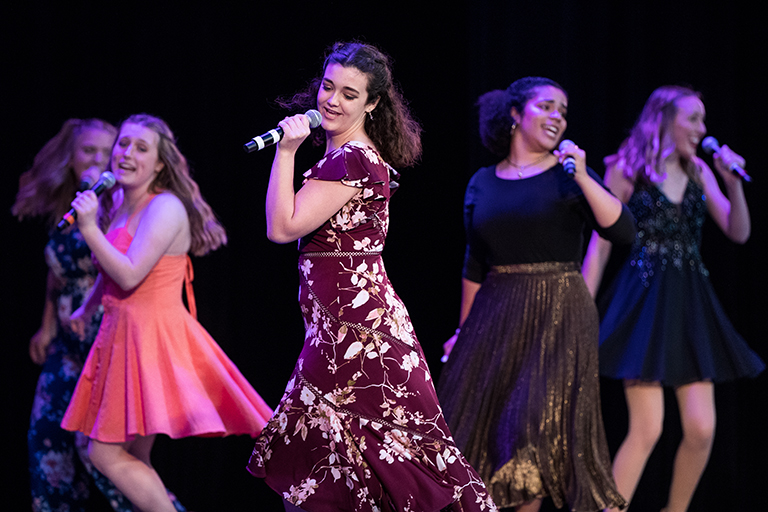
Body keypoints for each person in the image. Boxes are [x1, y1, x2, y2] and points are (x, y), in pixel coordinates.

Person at [246, 41, 497, 512]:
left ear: (373, 103)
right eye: (327, 86)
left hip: (357, 335)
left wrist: (286, 152)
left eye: (349, 93)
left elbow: (281, 228)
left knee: (344, 468)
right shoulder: (348, 157)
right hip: (341, 330)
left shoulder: (353, 159)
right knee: (334, 468)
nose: (332, 101)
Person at [437, 77, 635, 512]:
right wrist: (463, 330)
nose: (557, 118)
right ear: (515, 113)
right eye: (547, 107)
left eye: (563, 112)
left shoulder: (569, 177)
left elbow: (622, 231)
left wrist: (582, 175)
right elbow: (474, 264)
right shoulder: (482, 182)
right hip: (496, 313)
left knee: (532, 432)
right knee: (478, 435)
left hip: (558, 313)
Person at [60, 113, 273, 512]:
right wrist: (86, 307)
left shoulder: (166, 208)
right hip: (120, 335)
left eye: (141, 148)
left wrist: (88, 228)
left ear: (159, 164)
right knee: (135, 457)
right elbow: (111, 269)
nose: (126, 153)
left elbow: (128, 274)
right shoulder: (122, 201)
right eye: (122, 144)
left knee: (103, 454)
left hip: (150, 340)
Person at [581, 85, 765, 512]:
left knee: (702, 428)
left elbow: (738, 232)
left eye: (703, 120)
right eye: (693, 119)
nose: (702, 129)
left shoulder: (699, 169)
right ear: (664, 118)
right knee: (648, 428)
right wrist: (584, 306)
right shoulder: (627, 169)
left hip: (691, 304)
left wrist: (732, 184)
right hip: (643, 302)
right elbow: (601, 246)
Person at [12, 118, 139, 512]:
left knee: (100, 455)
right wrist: (47, 326)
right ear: (71, 157)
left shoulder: (120, 203)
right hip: (66, 343)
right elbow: (57, 274)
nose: (99, 159)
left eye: (107, 151)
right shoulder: (70, 207)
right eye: (89, 151)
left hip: (106, 337)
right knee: (47, 440)